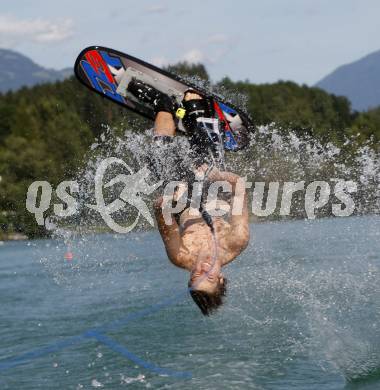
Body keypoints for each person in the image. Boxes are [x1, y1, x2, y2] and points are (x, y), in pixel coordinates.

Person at [127, 80, 250, 315]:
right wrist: (217, 175)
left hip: (179, 193)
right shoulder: (236, 241)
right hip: (212, 181)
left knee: (160, 155)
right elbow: (238, 187)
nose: (202, 269)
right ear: (221, 279)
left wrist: (168, 202)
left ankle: (162, 104)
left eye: (196, 275)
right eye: (209, 276)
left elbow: (162, 216)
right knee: (195, 103)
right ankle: (193, 112)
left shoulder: (180, 256)